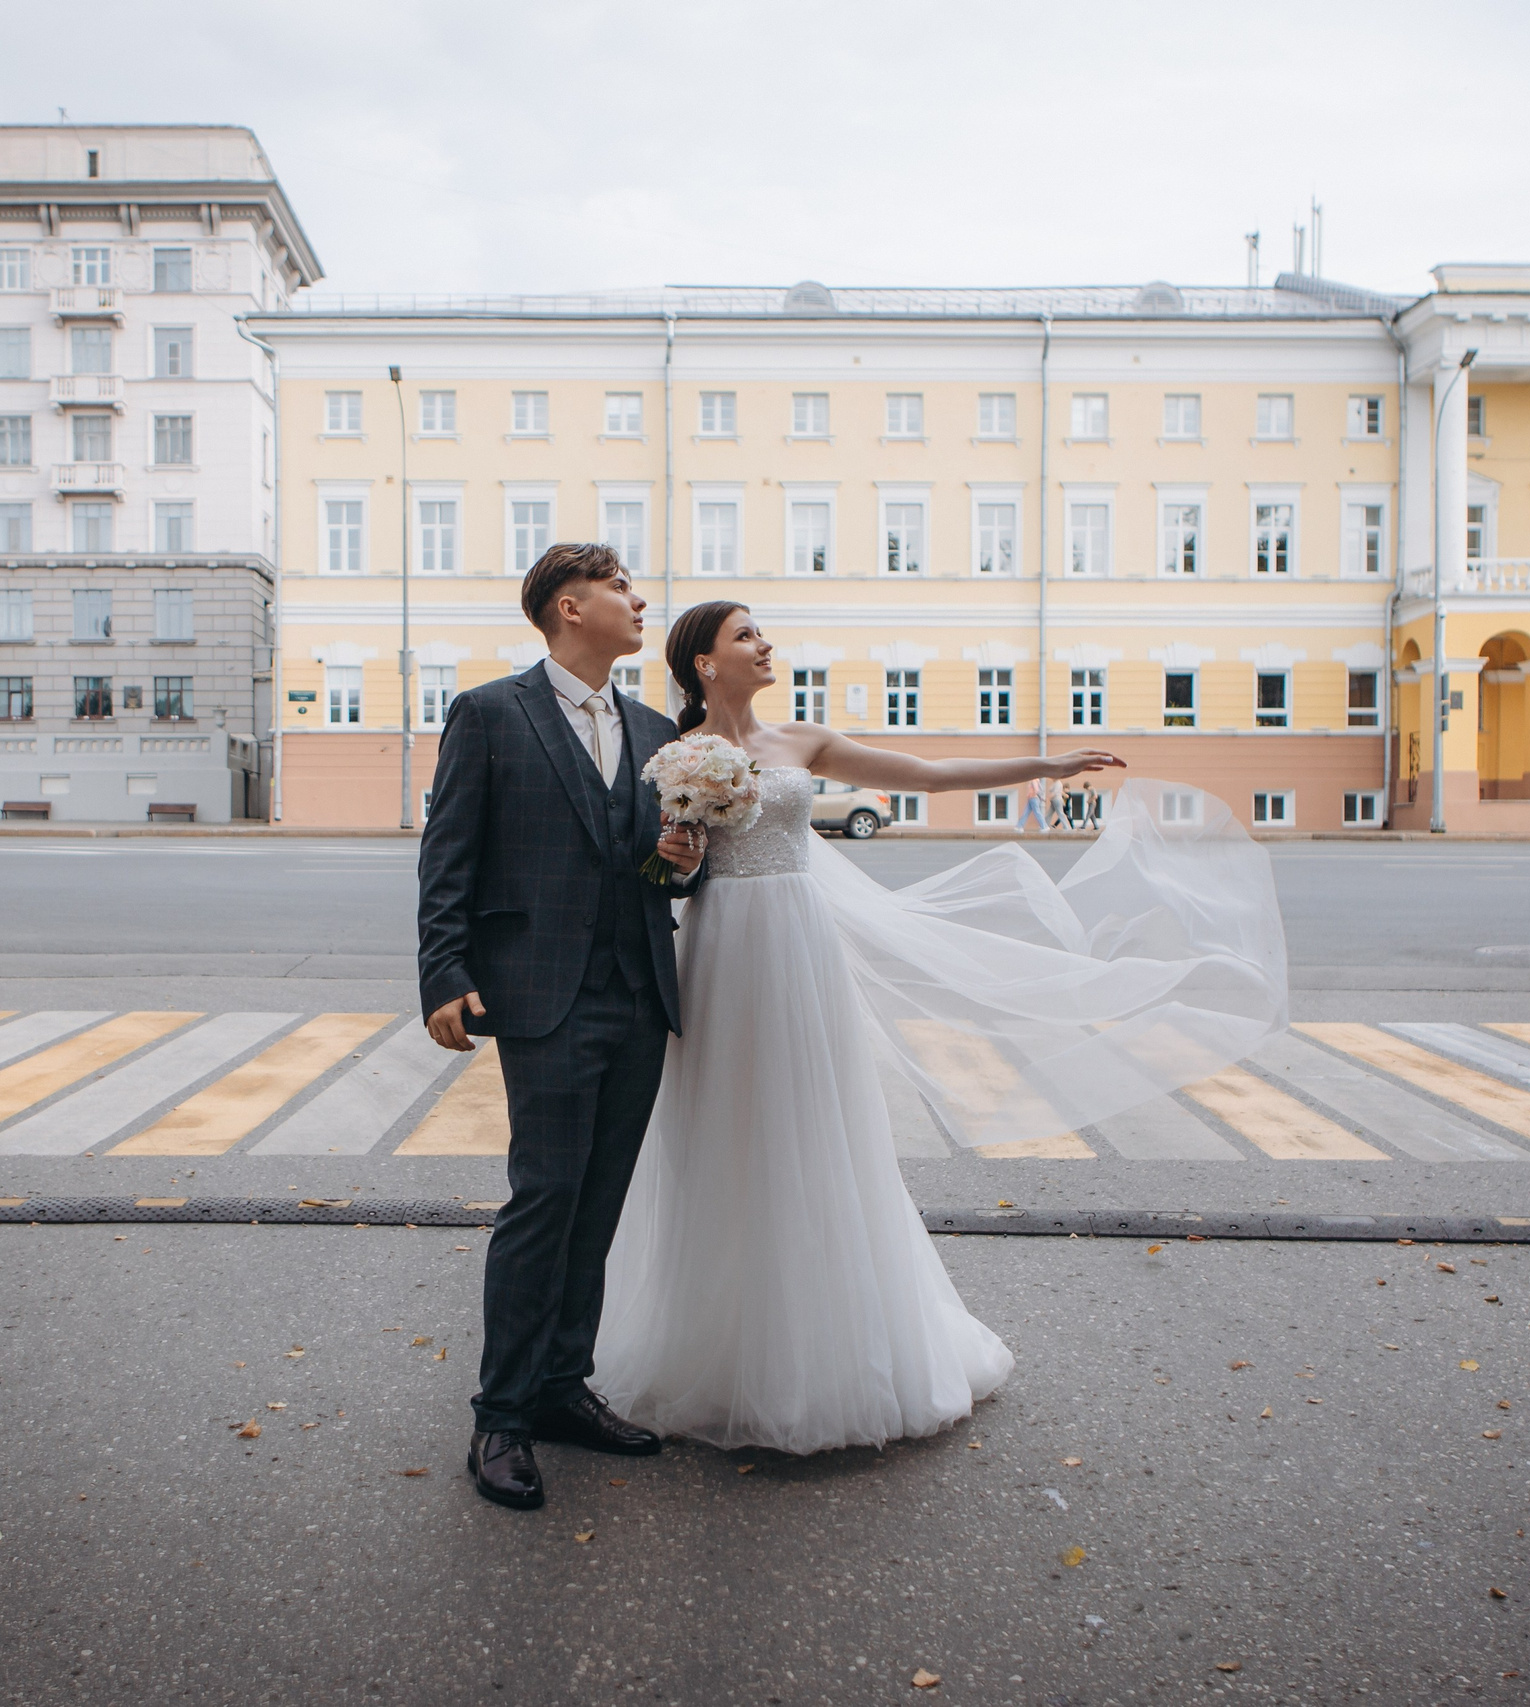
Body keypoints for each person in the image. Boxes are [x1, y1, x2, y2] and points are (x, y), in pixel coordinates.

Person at [590, 600, 1288, 1456]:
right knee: (720, 1131)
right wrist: (678, 854)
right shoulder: (672, 750)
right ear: (704, 662)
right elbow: (657, 864)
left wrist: (1047, 760)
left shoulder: (801, 739)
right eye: (745, 635)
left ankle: (822, 1350)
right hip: (719, 950)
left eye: (762, 631)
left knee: (814, 1128)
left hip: (797, 947)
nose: (764, 643)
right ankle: (714, 1346)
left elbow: (925, 772)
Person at [415, 542, 705, 1512]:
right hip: (540, 993)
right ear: (568, 608)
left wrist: (675, 856)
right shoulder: (491, 713)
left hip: (637, 991)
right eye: (621, 589)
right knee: (544, 1199)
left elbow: (661, 871)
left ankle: (559, 1386)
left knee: (599, 1202)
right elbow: (448, 853)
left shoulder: (657, 727)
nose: (638, 602)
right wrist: (443, 975)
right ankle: (500, 1413)